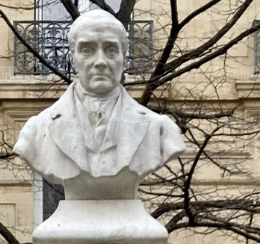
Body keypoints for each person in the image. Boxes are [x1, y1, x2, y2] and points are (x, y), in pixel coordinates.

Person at [12, 10, 184, 188]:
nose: (100, 61)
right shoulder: (37, 131)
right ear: (72, 59)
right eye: (87, 50)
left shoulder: (160, 129)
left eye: (111, 50)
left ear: (124, 59)